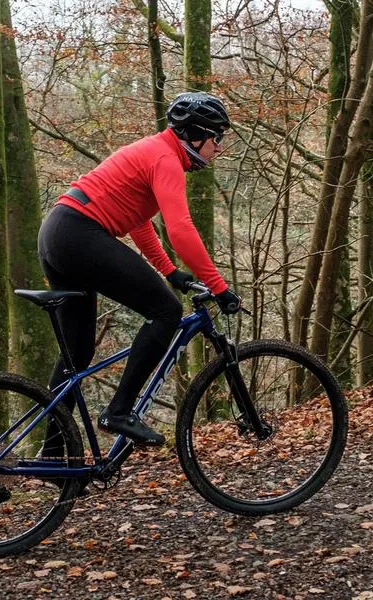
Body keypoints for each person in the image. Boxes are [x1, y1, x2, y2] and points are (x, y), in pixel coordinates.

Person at [38, 91, 242, 449]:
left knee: (77, 351)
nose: (219, 148)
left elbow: (139, 222)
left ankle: (54, 452)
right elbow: (180, 229)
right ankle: (119, 411)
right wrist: (219, 286)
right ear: (195, 135)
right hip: (79, 233)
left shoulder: (155, 150)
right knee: (166, 311)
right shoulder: (166, 160)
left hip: (59, 232)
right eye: (217, 138)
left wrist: (168, 271)